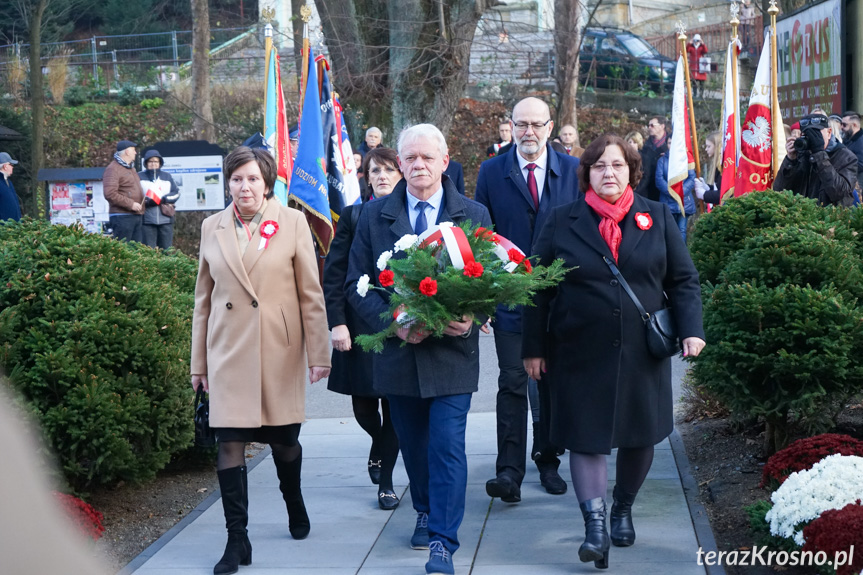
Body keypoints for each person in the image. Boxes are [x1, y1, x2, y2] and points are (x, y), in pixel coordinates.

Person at [523, 134, 705, 569]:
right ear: (586, 173)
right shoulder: (560, 219)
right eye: (600, 166)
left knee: (640, 434)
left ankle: (622, 507)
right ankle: (596, 528)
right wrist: (533, 348)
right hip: (576, 350)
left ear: (632, 172)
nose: (609, 173)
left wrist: (691, 330)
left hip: (642, 351)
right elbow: (537, 288)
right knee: (586, 436)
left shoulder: (657, 216)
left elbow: (683, 281)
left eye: (618, 166)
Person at [346, 124, 492, 575]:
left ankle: (443, 542)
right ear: (399, 163)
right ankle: (425, 507)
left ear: (445, 162)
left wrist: (474, 317)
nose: (418, 166)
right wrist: (394, 322)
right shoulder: (374, 217)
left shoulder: (473, 213)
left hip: (452, 354)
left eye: (427, 157)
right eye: (409, 158)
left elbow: (492, 281)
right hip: (399, 352)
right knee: (412, 443)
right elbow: (357, 284)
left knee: (447, 445)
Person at [190, 146, 331, 575]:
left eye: (252, 179)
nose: (244, 187)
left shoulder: (290, 222)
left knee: (284, 441)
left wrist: (318, 352)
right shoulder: (211, 226)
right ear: (227, 182)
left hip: (279, 350)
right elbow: (203, 301)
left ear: (266, 182)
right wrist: (199, 364)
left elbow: (311, 292)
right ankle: (237, 539)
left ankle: (294, 500)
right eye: (236, 179)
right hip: (228, 352)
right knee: (230, 443)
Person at [475, 96, 579, 505]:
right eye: (522, 124)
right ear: (511, 126)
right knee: (513, 383)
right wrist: (484, 300)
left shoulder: (572, 170)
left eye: (537, 124)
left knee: (551, 384)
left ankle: (549, 459)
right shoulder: (491, 171)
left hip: (560, 302)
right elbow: (482, 237)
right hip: (511, 300)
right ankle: (509, 471)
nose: (529, 132)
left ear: (550, 127)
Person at [324, 147, 403, 511]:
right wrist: (337, 322)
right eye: (375, 171)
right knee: (364, 408)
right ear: (366, 177)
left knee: (398, 408)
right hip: (358, 325)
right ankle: (378, 442)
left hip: (402, 325)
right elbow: (335, 273)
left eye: (389, 170)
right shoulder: (354, 216)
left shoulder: (412, 216)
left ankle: (386, 482)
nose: (383, 176)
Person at [774, 113, 857, 207]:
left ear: (829, 133)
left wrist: (820, 155)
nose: (813, 139)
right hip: (801, 217)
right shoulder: (801, 155)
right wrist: (790, 160)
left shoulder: (846, 157)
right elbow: (779, 190)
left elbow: (839, 193)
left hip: (830, 218)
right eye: (808, 134)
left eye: (816, 134)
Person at [103, 140, 145, 242]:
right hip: (122, 217)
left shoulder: (131, 169)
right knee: (124, 251)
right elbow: (110, 193)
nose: (135, 153)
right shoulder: (113, 169)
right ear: (127, 152)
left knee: (136, 251)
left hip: (136, 216)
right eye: (134, 150)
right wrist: (131, 204)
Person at [138, 149, 180, 249]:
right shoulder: (139, 176)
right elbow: (136, 195)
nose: (153, 164)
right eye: (150, 161)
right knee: (148, 250)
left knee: (167, 249)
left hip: (166, 219)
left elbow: (176, 193)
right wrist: (147, 202)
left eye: (156, 161)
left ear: (160, 163)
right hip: (147, 220)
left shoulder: (167, 176)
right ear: (146, 163)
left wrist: (164, 199)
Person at [655, 149, 696, 242]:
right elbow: (659, 179)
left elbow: (691, 177)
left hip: (684, 201)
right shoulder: (662, 160)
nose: (671, 145)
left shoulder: (686, 159)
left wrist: (681, 192)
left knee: (682, 230)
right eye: (669, 143)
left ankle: (682, 255)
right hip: (667, 201)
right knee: (669, 231)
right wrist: (672, 192)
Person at [638, 117, 669, 202]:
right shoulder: (645, 146)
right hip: (648, 190)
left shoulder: (671, 144)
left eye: (652, 125)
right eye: (648, 125)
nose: (649, 128)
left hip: (666, 191)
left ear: (662, 126)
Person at [694, 131, 723, 204]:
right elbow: (718, 188)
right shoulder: (717, 164)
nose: (706, 149)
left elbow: (725, 194)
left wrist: (705, 194)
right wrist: (708, 187)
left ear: (717, 147)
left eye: (709, 146)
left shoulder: (724, 166)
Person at [0, 152, 22, 221]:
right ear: (5, 166)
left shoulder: (8, 182)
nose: (13, 167)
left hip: (12, 227)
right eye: (11, 165)